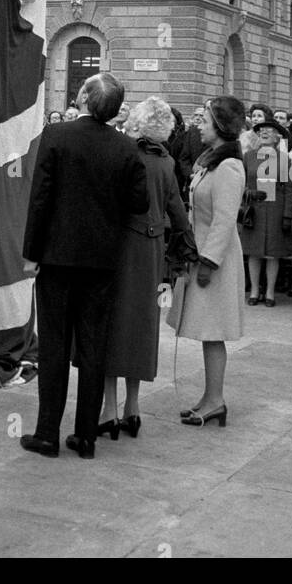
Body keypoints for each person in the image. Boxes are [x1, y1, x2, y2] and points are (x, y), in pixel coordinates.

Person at [20, 72, 149, 459]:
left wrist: (31, 253)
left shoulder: (57, 137)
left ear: (82, 97)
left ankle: (47, 434)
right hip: (102, 260)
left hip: (57, 257)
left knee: (55, 346)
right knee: (94, 346)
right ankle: (87, 436)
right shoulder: (127, 148)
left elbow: (40, 198)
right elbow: (139, 203)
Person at [97, 97, 197, 439]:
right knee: (143, 325)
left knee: (111, 324)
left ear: (136, 122)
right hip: (151, 250)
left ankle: (108, 409)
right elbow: (177, 210)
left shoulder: (123, 152)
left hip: (119, 245)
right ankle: (133, 408)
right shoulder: (166, 161)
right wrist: (187, 246)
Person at [177, 96, 246, 427]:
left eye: (204, 120)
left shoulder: (229, 166)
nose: (199, 126)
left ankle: (216, 400)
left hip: (214, 259)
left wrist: (208, 262)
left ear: (219, 127)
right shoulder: (212, 161)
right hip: (202, 253)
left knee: (213, 329)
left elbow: (224, 219)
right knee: (207, 330)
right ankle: (209, 397)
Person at [241, 116, 292, 306]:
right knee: (254, 252)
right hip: (254, 209)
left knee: (272, 253)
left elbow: (288, 188)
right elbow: (242, 182)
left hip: (275, 209)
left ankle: (270, 292)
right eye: (261, 130)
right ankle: (254, 291)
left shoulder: (283, 158)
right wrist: (248, 193)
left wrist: (287, 214)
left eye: (269, 130)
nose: (264, 133)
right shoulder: (249, 156)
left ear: (277, 137)